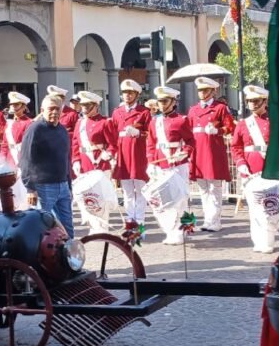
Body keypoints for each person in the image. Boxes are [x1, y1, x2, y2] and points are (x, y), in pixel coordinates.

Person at [20, 94, 74, 237]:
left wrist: (69, 186)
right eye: (51, 109)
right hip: (43, 187)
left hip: (62, 186)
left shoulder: (62, 130)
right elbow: (26, 159)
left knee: (67, 227)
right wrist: (30, 188)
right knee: (41, 227)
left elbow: (66, 159)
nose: (55, 112)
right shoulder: (35, 129)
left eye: (58, 109)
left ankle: (68, 257)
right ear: (42, 109)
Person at [146, 86, 193, 245]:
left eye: (165, 101)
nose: (161, 104)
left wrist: (185, 152)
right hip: (161, 163)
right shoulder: (154, 121)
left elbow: (190, 141)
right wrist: (151, 162)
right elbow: (151, 144)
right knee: (166, 199)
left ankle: (187, 227)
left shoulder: (182, 119)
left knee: (182, 197)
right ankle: (172, 230)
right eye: (159, 101)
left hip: (178, 163)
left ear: (173, 102)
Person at [187, 76, 236, 232]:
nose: (202, 93)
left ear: (213, 91)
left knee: (214, 187)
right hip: (198, 150)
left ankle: (215, 220)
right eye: (200, 90)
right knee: (203, 188)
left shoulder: (220, 108)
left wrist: (218, 130)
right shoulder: (193, 110)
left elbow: (230, 128)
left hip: (213, 150)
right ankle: (208, 219)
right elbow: (188, 130)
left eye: (205, 90)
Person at [231, 85, 275, 253]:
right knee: (255, 208)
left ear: (265, 101)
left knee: (271, 207)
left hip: (269, 168)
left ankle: (268, 240)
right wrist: (241, 163)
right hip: (250, 169)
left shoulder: (273, 121)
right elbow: (236, 147)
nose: (252, 104)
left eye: (255, 101)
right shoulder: (243, 124)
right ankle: (258, 240)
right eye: (249, 101)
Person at [71, 90, 117, 234]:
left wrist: (108, 154)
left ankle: (102, 226)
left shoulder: (105, 122)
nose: (84, 108)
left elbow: (113, 144)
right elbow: (75, 143)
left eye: (87, 105)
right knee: (87, 196)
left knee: (100, 196)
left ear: (95, 105)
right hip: (85, 163)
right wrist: (76, 160)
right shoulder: (80, 123)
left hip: (100, 162)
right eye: (83, 105)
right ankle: (93, 225)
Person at [111, 79, 151, 226]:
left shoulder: (143, 112)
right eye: (125, 93)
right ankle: (129, 217)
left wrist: (139, 133)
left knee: (140, 189)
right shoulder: (117, 112)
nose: (127, 96)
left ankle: (139, 218)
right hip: (123, 155)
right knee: (127, 190)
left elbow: (151, 134)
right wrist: (113, 154)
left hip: (138, 154)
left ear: (136, 95)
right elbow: (113, 135)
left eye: (130, 93)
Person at [4, 91, 33, 210]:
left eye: (16, 105)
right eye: (12, 105)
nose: (14, 108)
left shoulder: (29, 123)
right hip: (11, 161)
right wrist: (2, 160)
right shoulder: (9, 124)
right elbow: (5, 144)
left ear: (23, 106)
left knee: (24, 194)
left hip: (23, 160)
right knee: (13, 195)